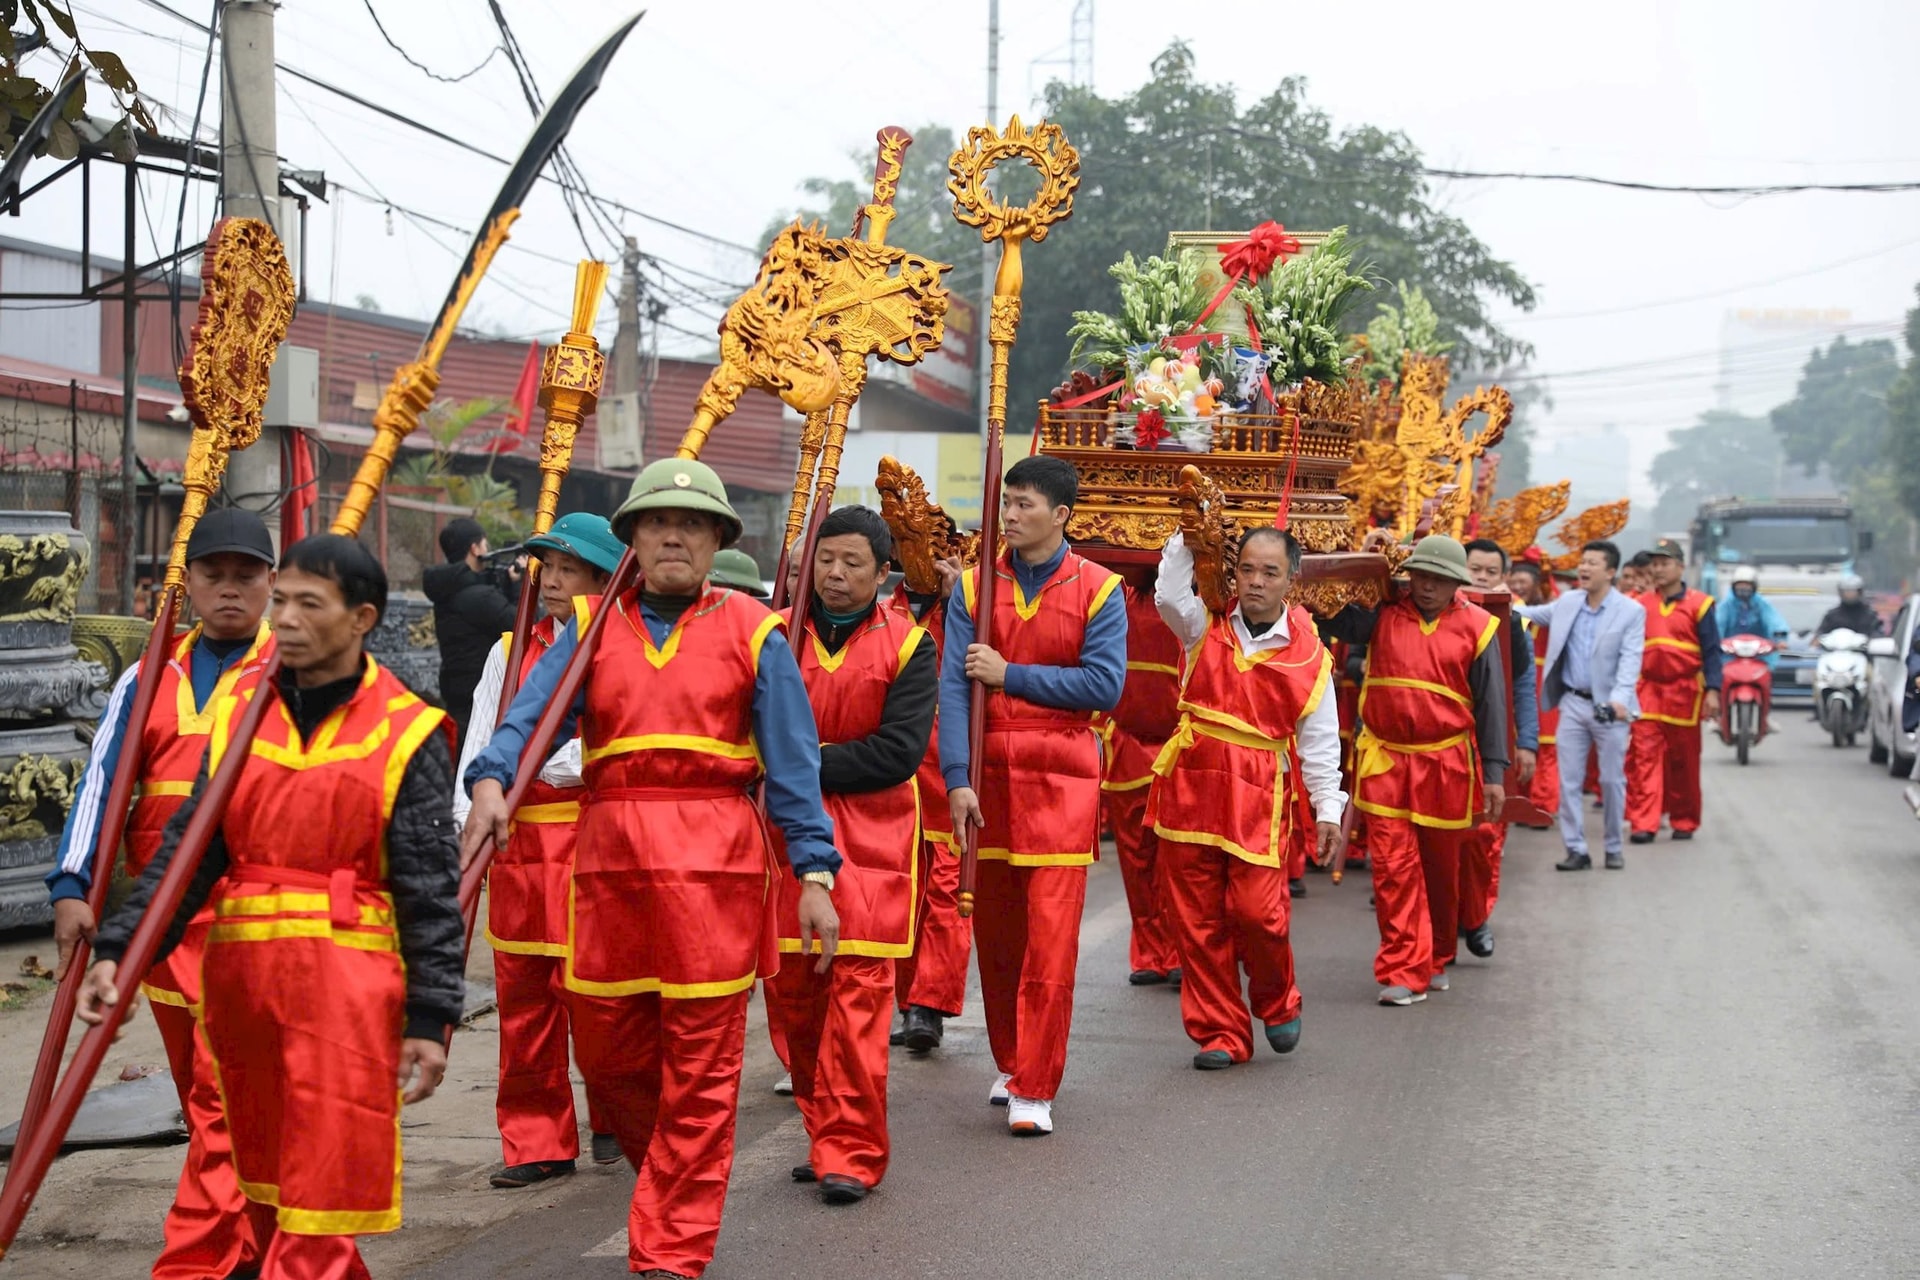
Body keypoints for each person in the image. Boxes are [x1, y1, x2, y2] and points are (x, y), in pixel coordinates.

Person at [463, 458, 840, 1279]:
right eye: (659, 522)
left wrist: (815, 875)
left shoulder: (755, 631)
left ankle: (671, 1245)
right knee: (610, 1060)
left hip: (716, 873)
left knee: (703, 1068)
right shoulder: (590, 626)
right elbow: (527, 718)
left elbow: (794, 765)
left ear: (715, 540)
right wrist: (491, 777)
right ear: (632, 539)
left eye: (693, 524)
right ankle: (667, 1179)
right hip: (609, 870)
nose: (675, 536)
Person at [80, 534, 463, 1280]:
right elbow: (187, 858)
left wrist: (430, 1015)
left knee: (321, 1199)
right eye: (280, 600)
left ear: (361, 619)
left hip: (347, 995)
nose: (284, 618)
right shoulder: (239, 719)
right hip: (244, 993)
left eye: (308, 604)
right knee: (266, 1188)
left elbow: (429, 889)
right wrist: (122, 950)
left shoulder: (407, 730)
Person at [46, 507, 277, 1280]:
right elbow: (102, 784)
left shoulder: (294, 671)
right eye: (214, 575)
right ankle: (263, 1237)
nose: (230, 589)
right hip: (161, 918)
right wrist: (73, 884)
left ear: (271, 584)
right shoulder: (148, 675)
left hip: (250, 914)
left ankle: (201, 1260)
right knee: (205, 1088)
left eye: (246, 575)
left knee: (221, 1090)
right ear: (188, 586)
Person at [940, 455, 1126, 1136]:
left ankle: (1037, 1086)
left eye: (1024, 504)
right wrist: (956, 778)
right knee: (998, 939)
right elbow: (954, 687)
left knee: (1050, 943)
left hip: (1062, 779)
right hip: (988, 776)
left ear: (1061, 515)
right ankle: (1013, 1059)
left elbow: (1104, 686)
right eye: (1007, 503)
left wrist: (1010, 674)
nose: (1011, 516)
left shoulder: (1101, 589)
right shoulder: (973, 586)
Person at [766, 505, 936, 1205]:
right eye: (825, 560)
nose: (834, 574)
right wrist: (805, 764)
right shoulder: (773, 636)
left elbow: (895, 755)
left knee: (861, 997)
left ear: (883, 572)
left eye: (852, 563)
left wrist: (794, 761)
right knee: (798, 999)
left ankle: (853, 1151)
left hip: (875, 841)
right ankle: (823, 1131)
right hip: (784, 836)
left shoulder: (910, 644)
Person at [454, 513, 624, 1187]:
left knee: (600, 997)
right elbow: (482, 739)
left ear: (603, 579)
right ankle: (536, 1140)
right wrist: (470, 820)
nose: (551, 581)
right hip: (520, 844)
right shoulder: (510, 647)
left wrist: (531, 764)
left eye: (568, 569)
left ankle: (614, 1115)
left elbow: (605, 749)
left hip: (591, 839)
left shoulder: (619, 645)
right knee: (523, 998)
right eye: (545, 567)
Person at [1150, 526, 1342, 1066]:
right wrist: (1189, 533)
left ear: (1291, 580)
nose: (1255, 582)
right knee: (1196, 921)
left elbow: (1320, 742)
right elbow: (1168, 595)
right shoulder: (1203, 625)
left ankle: (1277, 999)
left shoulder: (1311, 656)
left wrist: (1328, 808)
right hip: (1190, 788)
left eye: (1269, 572)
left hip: (1258, 797)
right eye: (1247, 569)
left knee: (1259, 914)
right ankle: (1221, 1034)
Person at [1345, 535, 1508, 1006]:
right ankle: (1404, 968)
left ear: (1457, 583)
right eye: (1420, 576)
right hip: (1386, 759)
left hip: (1446, 762)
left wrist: (1494, 774)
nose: (1427, 586)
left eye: (1438, 579)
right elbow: (1328, 615)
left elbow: (1492, 706)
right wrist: (1360, 568)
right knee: (1392, 869)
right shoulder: (1380, 613)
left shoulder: (1479, 627)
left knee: (1440, 870)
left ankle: (1436, 955)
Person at [1514, 540, 1646, 872]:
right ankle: (1576, 849)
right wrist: (1486, 602)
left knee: (1612, 781)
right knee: (1569, 780)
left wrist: (1618, 701)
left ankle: (1613, 846)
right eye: (1583, 562)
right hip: (1572, 702)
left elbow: (1631, 660)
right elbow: (1528, 614)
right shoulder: (1568, 602)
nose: (1584, 568)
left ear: (1611, 572)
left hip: (1609, 707)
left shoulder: (1631, 611)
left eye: (1592, 563)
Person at [889, 554, 969, 1054]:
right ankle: (906, 1001)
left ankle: (928, 1006)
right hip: (898, 778)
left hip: (952, 775)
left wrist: (962, 602)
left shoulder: (967, 604)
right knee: (904, 895)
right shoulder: (885, 612)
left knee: (947, 895)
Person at [1099, 565, 1185, 986]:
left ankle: (1183, 950)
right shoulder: (1113, 594)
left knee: (1180, 862)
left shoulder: (1193, 600)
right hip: (1129, 745)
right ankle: (1151, 951)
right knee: (1136, 860)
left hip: (1181, 746)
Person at [1458, 539, 1540, 959]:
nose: (1482, 578)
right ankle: (1436, 929)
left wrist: (1527, 742)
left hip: (1490, 743)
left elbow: (1524, 687)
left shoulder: (1513, 624)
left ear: (1504, 577)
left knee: (1485, 834)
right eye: (1475, 569)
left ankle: (1476, 918)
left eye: (1491, 572)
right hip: (1439, 743)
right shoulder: (1431, 611)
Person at [1626, 539, 1722, 845]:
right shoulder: (1640, 605)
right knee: (1644, 758)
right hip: (1648, 689)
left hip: (1685, 692)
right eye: (1655, 564)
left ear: (1681, 567)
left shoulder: (1700, 604)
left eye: (1665, 563)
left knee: (1684, 760)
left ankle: (1684, 819)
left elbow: (1712, 651)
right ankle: (1644, 822)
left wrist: (1713, 690)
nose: (1658, 569)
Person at [425, 516, 517, 749]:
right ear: (475, 548)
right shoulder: (479, 597)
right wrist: (518, 587)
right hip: (482, 699)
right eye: (485, 544)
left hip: (458, 692)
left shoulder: (448, 590)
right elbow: (523, 625)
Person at [1506, 557, 1559, 826]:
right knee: (1517, 744)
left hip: (1544, 683)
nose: (1518, 586)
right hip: (1519, 682)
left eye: (1523, 582)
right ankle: (1522, 802)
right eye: (1514, 581)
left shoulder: (1550, 611)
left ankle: (1543, 805)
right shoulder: (1508, 608)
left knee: (1546, 748)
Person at [1716, 565, 1788, 730]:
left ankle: (1766, 716)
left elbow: (1774, 621)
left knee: (1766, 680)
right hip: (1730, 654)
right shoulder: (1726, 605)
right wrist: (1714, 642)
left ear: (1754, 587)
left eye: (1747, 585)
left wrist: (1779, 639)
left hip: (1759, 653)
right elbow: (1717, 625)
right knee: (1717, 680)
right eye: (1740, 585)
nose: (1743, 589)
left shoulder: (1762, 604)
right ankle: (1718, 716)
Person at [1815, 573, 1881, 638]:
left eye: (1852, 591)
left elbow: (1877, 634)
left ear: (1859, 592)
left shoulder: (1870, 615)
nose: (1849, 594)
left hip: (1863, 645)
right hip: (1836, 645)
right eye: (1846, 591)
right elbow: (1821, 632)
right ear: (1841, 593)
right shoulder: (1832, 615)